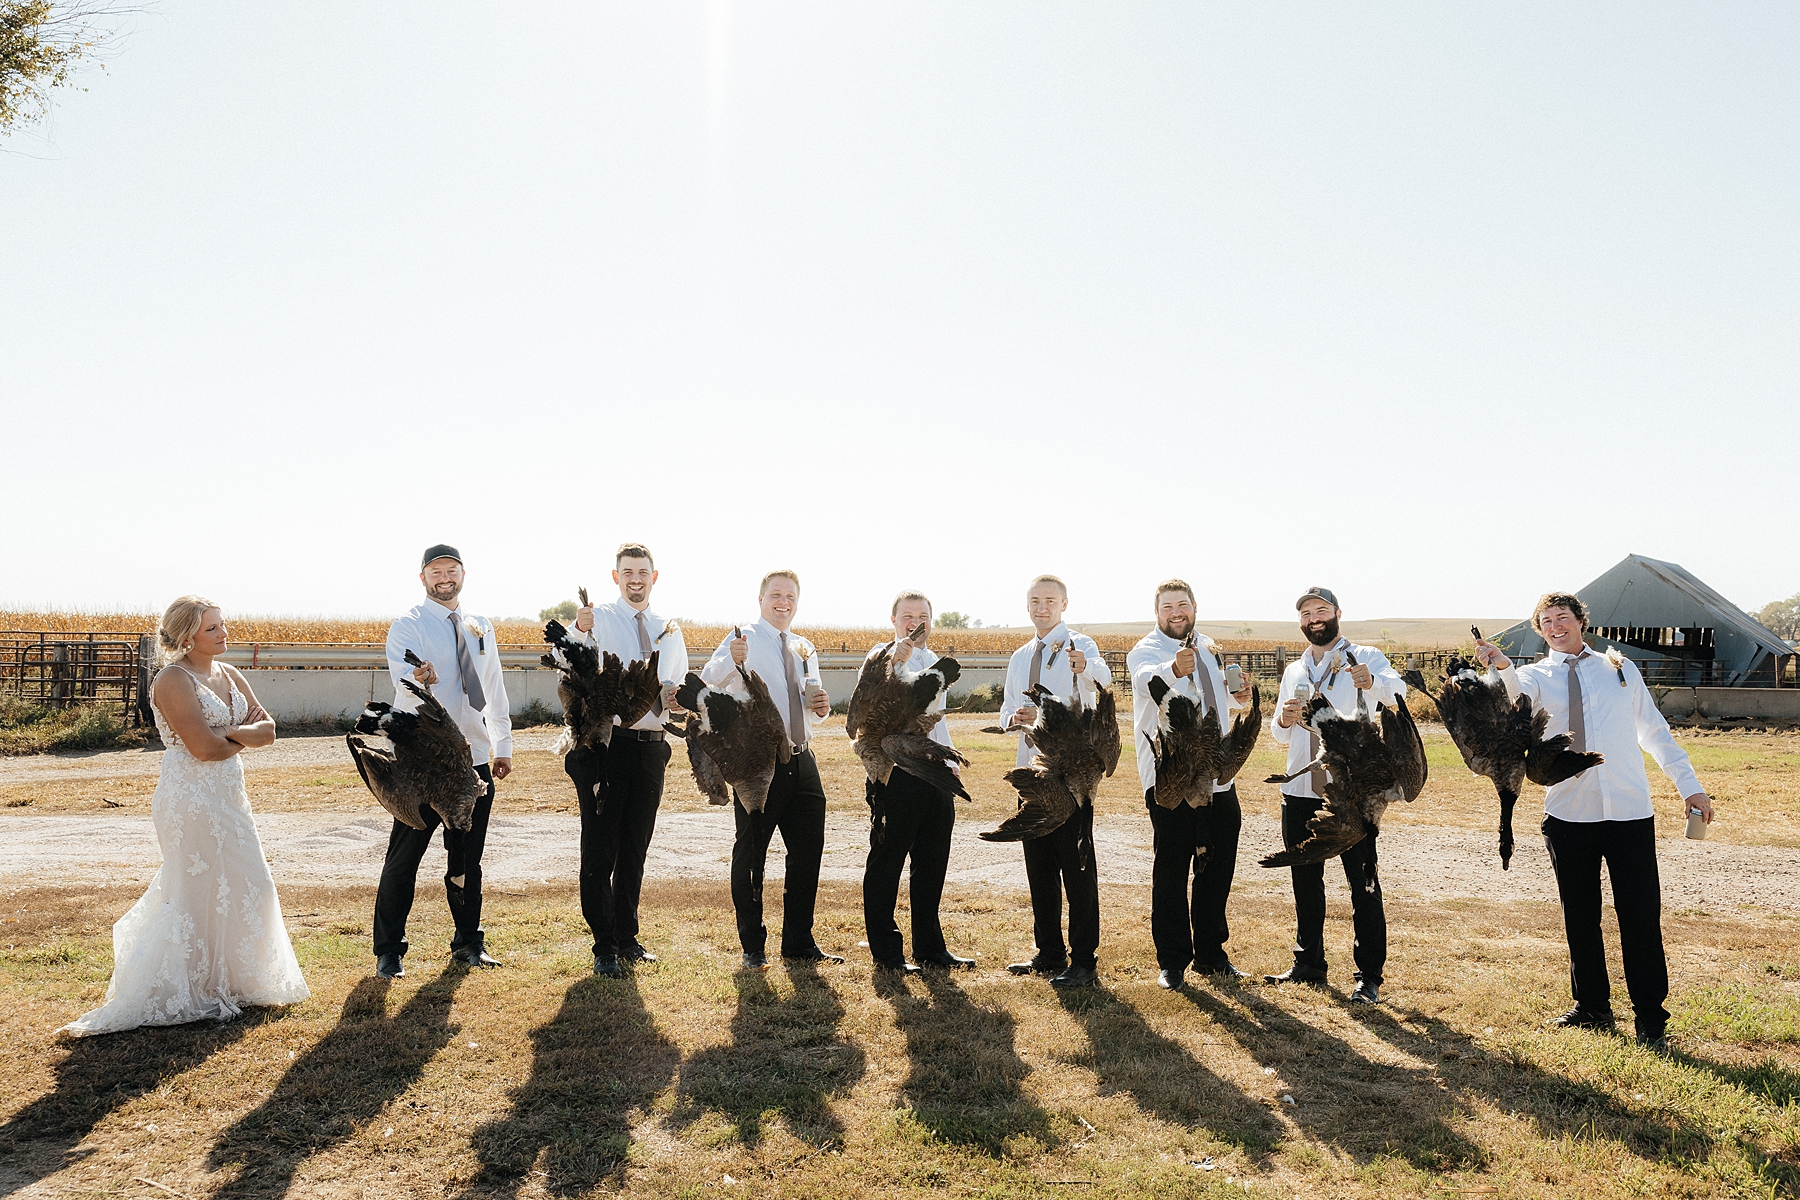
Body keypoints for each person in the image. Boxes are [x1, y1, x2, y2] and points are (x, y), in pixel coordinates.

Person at [1476, 592, 1714, 1049]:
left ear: (1581, 620)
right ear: (1539, 629)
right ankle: (1592, 1008)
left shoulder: (1619, 669)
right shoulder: (1534, 676)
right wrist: (1501, 665)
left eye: (1562, 617)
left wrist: (1690, 786)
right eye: (1545, 621)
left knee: (1640, 917)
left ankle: (1650, 1019)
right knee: (1579, 916)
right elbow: (1511, 700)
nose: (1554, 626)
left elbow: (1654, 732)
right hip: (1568, 813)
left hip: (1628, 812)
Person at [62, 597, 309, 1035]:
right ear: (186, 635)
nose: (223, 633)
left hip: (230, 797)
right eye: (213, 628)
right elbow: (203, 749)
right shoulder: (172, 680)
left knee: (251, 883)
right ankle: (189, 986)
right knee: (196, 888)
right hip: (189, 799)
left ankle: (237, 981)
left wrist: (226, 731)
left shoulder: (231, 674)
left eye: (223, 624)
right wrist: (235, 735)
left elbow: (269, 732)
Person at [372, 544, 514, 978]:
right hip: (424, 760)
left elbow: (492, 685)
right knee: (405, 853)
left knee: (468, 857)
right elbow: (402, 674)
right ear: (423, 578)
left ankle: (469, 942)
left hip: (472, 757)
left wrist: (502, 744)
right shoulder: (408, 625)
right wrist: (419, 675)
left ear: (463, 574)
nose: (444, 577)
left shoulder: (480, 626)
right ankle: (389, 950)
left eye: (451, 570)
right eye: (436, 571)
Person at [1266, 586, 1405, 1003]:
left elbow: (1398, 694)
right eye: (1307, 612)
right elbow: (1276, 732)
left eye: (1321, 609)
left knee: (1362, 881)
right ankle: (1308, 963)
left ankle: (1369, 975)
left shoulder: (1366, 656)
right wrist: (1285, 719)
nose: (1314, 617)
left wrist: (1373, 680)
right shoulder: (1294, 669)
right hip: (1299, 787)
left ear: (1337, 613)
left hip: (1351, 792)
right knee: (1305, 878)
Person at [700, 570, 840, 969]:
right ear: (761, 598)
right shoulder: (742, 637)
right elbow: (708, 680)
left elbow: (810, 702)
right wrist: (733, 659)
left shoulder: (804, 647)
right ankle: (753, 948)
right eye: (776, 594)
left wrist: (822, 709)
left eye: (791, 596)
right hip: (760, 764)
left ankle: (798, 942)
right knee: (752, 853)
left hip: (802, 757)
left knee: (807, 851)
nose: (784, 602)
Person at [566, 542, 689, 977]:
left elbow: (674, 687)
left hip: (652, 748)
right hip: (608, 747)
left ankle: (626, 936)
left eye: (643, 572)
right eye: (628, 572)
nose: (636, 579)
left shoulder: (669, 628)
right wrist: (579, 630)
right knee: (601, 849)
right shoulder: (598, 619)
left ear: (654, 577)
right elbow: (571, 661)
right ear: (616, 577)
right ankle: (603, 946)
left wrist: (676, 698)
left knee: (636, 846)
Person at [1128, 579, 1255, 991]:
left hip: (1217, 775)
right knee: (1171, 868)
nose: (1176, 612)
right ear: (1157, 612)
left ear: (1195, 606)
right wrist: (1174, 669)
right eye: (1168, 607)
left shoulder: (1209, 646)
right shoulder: (1145, 651)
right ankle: (1172, 960)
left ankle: (1211, 954)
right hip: (1173, 780)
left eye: (1182, 604)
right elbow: (1148, 683)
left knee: (1216, 867)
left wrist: (1240, 698)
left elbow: (1217, 700)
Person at [999, 575, 1111, 987]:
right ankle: (1048, 952)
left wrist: (1086, 668)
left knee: (1077, 869)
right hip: (1032, 777)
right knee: (1040, 867)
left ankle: (1083, 959)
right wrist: (1015, 719)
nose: (1041, 607)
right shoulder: (1019, 657)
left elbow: (1102, 682)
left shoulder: (1081, 648)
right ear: (1027, 605)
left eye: (1049, 600)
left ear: (1064, 604)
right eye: (1034, 601)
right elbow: (1006, 709)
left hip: (1071, 776)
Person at [860, 590, 977, 975]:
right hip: (897, 774)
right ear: (894, 620)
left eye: (922, 614)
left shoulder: (932, 662)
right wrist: (894, 661)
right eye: (907, 615)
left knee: (931, 864)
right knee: (887, 860)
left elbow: (936, 721)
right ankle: (888, 954)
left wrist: (950, 756)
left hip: (935, 774)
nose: (915, 621)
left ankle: (930, 948)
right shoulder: (881, 656)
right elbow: (869, 707)